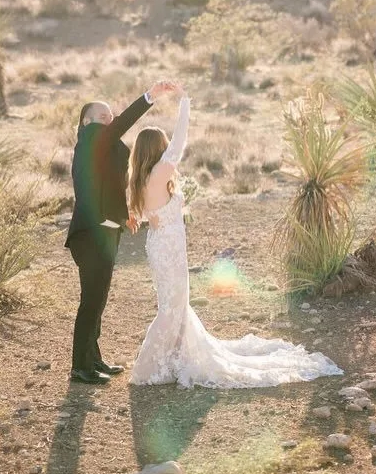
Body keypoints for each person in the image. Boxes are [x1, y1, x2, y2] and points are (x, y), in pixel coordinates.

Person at [128, 88, 343, 388]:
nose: (167, 153)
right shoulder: (162, 171)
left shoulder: (139, 179)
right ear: (157, 150)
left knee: (173, 305)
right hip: (170, 249)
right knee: (173, 307)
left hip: (161, 247)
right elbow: (180, 143)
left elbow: (141, 216)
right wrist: (186, 103)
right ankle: (154, 368)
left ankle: (173, 358)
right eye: (162, 148)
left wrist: (137, 218)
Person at [66, 79, 180, 383]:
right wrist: (149, 97)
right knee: (91, 300)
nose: (110, 119)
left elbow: (108, 186)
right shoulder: (91, 139)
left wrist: (124, 214)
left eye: (110, 115)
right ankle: (80, 366)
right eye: (102, 116)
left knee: (98, 298)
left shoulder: (103, 147)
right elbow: (121, 127)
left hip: (104, 231)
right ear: (87, 122)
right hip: (92, 233)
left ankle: (93, 359)